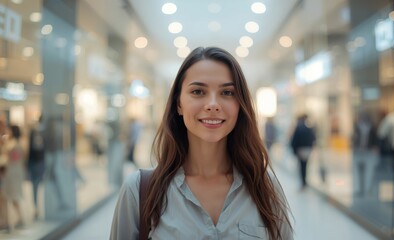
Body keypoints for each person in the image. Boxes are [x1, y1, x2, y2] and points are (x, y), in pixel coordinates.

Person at [110, 47, 293, 240]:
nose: (213, 104)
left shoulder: (265, 186)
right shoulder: (139, 191)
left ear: (240, 105)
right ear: (178, 104)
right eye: (198, 91)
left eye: (227, 92)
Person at [2, 125, 26, 231]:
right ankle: (17, 218)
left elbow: (12, 160)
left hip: (12, 174)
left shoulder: (15, 145)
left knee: (12, 197)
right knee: (11, 197)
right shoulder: (17, 143)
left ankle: (18, 219)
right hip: (14, 173)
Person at [351, 111, 379, 197]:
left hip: (369, 152)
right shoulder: (357, 127)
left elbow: (375, 138)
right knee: (357, 172)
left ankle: (367, 189)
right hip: (358, 151)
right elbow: (354, 138)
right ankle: (358, 188)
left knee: (368, 171)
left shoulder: (372, 127)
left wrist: (375, 147)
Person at [290, 114, 316, 189]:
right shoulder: (309, 127)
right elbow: (313, 138)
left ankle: (303, 182)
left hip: (301, 149)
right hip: (307, 149)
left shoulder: (298, 127)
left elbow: (295, 139)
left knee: (302, 166)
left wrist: (294, 149)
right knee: (305, 165)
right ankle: (304, 181)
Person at [27, 115, 46, 219]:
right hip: (38, 162)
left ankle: (37, 207)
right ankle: (36, 208)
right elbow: (31, 149)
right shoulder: (36, 132)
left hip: (39, 162)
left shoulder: (43, 132)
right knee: (36, 185)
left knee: (36, 186)